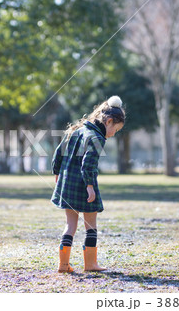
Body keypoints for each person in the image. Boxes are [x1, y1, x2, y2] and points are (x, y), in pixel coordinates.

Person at [51, 96, 125, 273]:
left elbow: (57, 153)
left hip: (68, 184)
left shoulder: (77, 130)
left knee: (70, 226)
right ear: (108, 121)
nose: (114, 133)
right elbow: (89, 164)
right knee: (90, 225)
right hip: (84, 186)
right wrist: (90, 187)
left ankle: (63, 264)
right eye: (116, 129)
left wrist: (57, 173)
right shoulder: (96, 137)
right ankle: (90, 264)